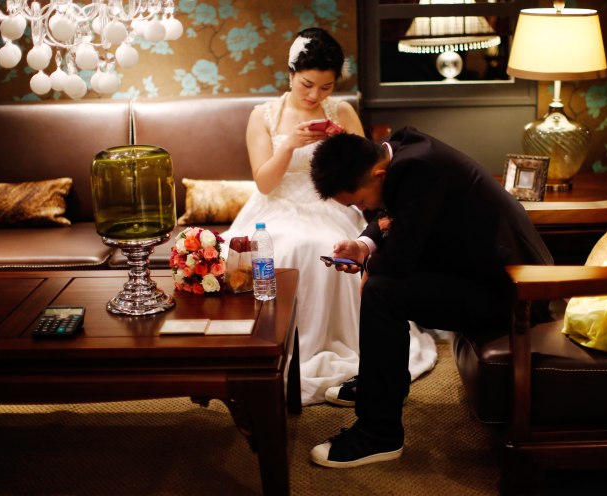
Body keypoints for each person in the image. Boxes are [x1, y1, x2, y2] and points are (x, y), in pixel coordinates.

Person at [308, 127, 553, 467]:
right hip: (480, 272)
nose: (364, 209)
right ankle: (381, 386)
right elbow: (394, 218)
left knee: (381, 294)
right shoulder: (399, 152)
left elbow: (399, 261)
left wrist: (371, 268)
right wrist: (363, 246)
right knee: (381, 286)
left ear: (378, 174)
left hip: (514, 291)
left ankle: (379, 435)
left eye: (360, 202)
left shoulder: (418, 169)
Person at [220, 28, 437, 406]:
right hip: (275, 207)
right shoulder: (264, 116)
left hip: (330, 204)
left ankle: (342, 343)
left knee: (325, 247)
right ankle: (273, 350)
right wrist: (289, 144)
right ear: (290, 73)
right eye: (307, 84)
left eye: (325, 87)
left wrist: (340, 141)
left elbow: (370, 169)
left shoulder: (342, 110)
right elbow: (265, 183)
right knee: (283, 246)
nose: (314, 95)